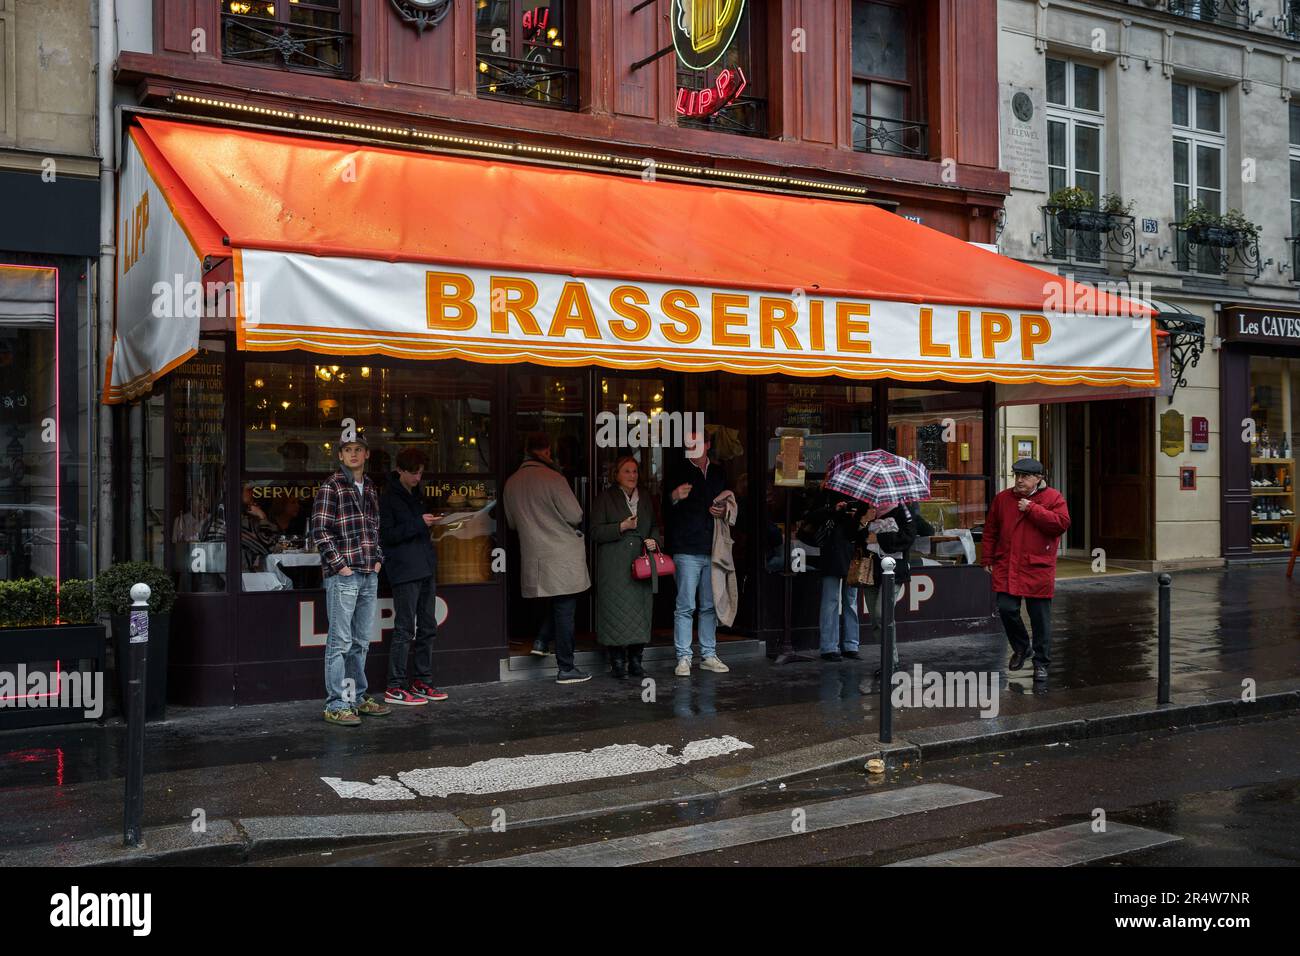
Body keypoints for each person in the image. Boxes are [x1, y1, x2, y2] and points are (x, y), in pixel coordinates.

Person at [311, 433, 391, 727]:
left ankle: (357, 697)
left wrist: (378, 558)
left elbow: (375, 527)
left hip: (368, 571)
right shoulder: (332, 485)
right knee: (340, 641)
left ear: (366, 454)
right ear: (340, 456)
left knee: (360, 641)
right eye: (348, 450)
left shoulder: (368, 486)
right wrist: (340, 565)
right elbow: (320, 529)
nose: (353, 454)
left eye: (358, 449)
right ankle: (335, 703)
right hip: (345, 574)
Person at [503, 432, 593, 684]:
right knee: (565, 608)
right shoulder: (554, 478)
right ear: (545, 452)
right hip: (562, 553)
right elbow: (575, 514)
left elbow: (511, 522)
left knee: (556, 603)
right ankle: (566, 667)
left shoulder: (511, 482)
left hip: (534, 554)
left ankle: (542, 639)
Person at [982, 457, 1071, 682]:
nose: (1019, 480)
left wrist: (1032, 509)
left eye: (1025, 476)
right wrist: (987, 558)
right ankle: (1022, 648)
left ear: (1039, 478)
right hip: (1007, 563)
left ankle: (1041, 663)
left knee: (1040, 618)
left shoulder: (1053, 498)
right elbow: (991, 530)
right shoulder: (1003, 499)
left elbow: (1061, 524)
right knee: (1006, 608)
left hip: (1037, 566)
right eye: (1017, 475)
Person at [380, 447, 449, 706]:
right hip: (405, 570)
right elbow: (387, 536)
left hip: (424, 566)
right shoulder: (388, 498)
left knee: (428, 627)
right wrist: (420, 523)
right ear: (400, 470)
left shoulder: (415, 494)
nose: (418, 478)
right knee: (405, 629)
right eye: (413, 473)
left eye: (420, 473)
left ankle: (422, 680)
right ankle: (395, 685)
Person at [665, 430, 730, 677]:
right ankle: (683, 657)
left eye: (698, 442)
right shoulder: (678, 471)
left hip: (712, 547)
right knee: (685, 606)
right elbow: (664, 507)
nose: (693, 446)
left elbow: (731, 502)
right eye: (689, 442)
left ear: (708, 445)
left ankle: (708, 654)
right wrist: (674, 496)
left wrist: (723, 511)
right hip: (685, 547)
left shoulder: (718, 472)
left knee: (709, 605)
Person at [591, 455, 661, 679]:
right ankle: (617, 661)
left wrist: (654, 540)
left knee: (640, 610)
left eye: (635, 471)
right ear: (617, 475)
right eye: (627, 471)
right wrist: (621, 526)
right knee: (614, 611)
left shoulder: (646, 498)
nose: (632, 476)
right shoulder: (605, 498)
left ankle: (636, 660)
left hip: (640, 562)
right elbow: (595, 532)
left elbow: (656, 526)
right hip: (614, 565)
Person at [804, 489, 869, 661]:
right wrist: (834, 510)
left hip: (853, 553)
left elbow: (862, 528)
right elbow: (810, 517)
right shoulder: (826, 494)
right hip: (832, 552)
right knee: (831, 601)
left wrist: (860, 518)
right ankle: (829, 646)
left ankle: (850, 645)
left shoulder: (861, 497)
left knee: (851, 600)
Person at [865, 502, 917, 678]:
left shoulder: (902, 510)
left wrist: (879, 538)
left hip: (893, 570)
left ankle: (891, 662)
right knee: (875, 619)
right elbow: (852, 536)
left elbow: (908, 537)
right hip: (869, 571)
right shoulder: (866, 508)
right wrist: (863, 521)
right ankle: (886, 661)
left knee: (883, 614)